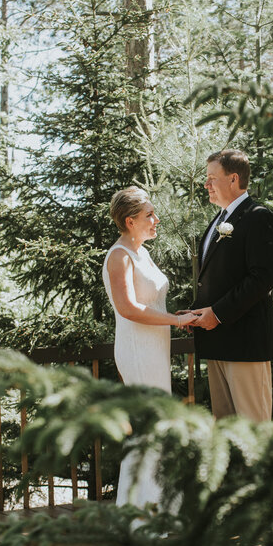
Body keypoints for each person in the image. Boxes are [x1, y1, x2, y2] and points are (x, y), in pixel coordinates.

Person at [102, 186, 198, 508]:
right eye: (149, 215)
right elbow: (128, 309)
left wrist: (174, 316)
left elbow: (150, 302)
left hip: (155, 349)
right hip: (137, 349)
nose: (156, 219)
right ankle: (140, 515)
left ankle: (159, 508)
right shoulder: (119, 256)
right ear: (130, 221)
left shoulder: (142, 252)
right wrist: (174, 321)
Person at [190, 149, 273, 421]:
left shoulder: (258, 216)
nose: (206, 185)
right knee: (227, 431)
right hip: (217, 343)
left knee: (253, 429)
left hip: (244, 344)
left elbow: (262, 278)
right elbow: (218, 278)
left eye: (211, 178)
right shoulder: (218, 221)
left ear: (233, 179)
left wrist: (217, 314)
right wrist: (197, 312)